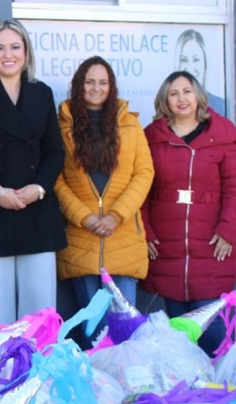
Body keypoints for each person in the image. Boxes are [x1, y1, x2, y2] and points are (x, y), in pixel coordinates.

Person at [0, 19, 66, 326]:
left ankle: (38, 361)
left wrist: (39, 188)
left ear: (26, 52)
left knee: (39, 316)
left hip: (37, 213)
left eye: (15, 47)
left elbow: (55, 151)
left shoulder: (42, 93)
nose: (8, 55)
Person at [141, 71, 236, 356]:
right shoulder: (152, 138)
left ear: (198, 95)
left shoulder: (222, 134)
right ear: (165, 100)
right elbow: (141, 188)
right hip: (167, 244)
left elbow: (235, 187)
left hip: (210, 243)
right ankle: (187, 380)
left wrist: (228, 230)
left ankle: (216, 377)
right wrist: (145, 232)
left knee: (210, 328)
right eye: (173, 93)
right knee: (178, 327)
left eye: (186, 91)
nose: (181, 98)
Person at [54, 56, 154, 348]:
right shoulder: (62, 126)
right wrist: (85, 217)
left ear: (111, 87)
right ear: (79, 85)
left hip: (123, 239)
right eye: (89, 82)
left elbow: (144, 173)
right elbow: (56, 180)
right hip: (81, 242)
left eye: (103, 82)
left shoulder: (130, 124)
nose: (96, 88)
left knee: (126, 332)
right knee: (94, 334)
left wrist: (115, 216)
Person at [175, 29, 226, 116]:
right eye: (184, 60)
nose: (190, 68)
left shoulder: (221, 107)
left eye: (196, 60)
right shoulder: (169, 107)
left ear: (205, 64)